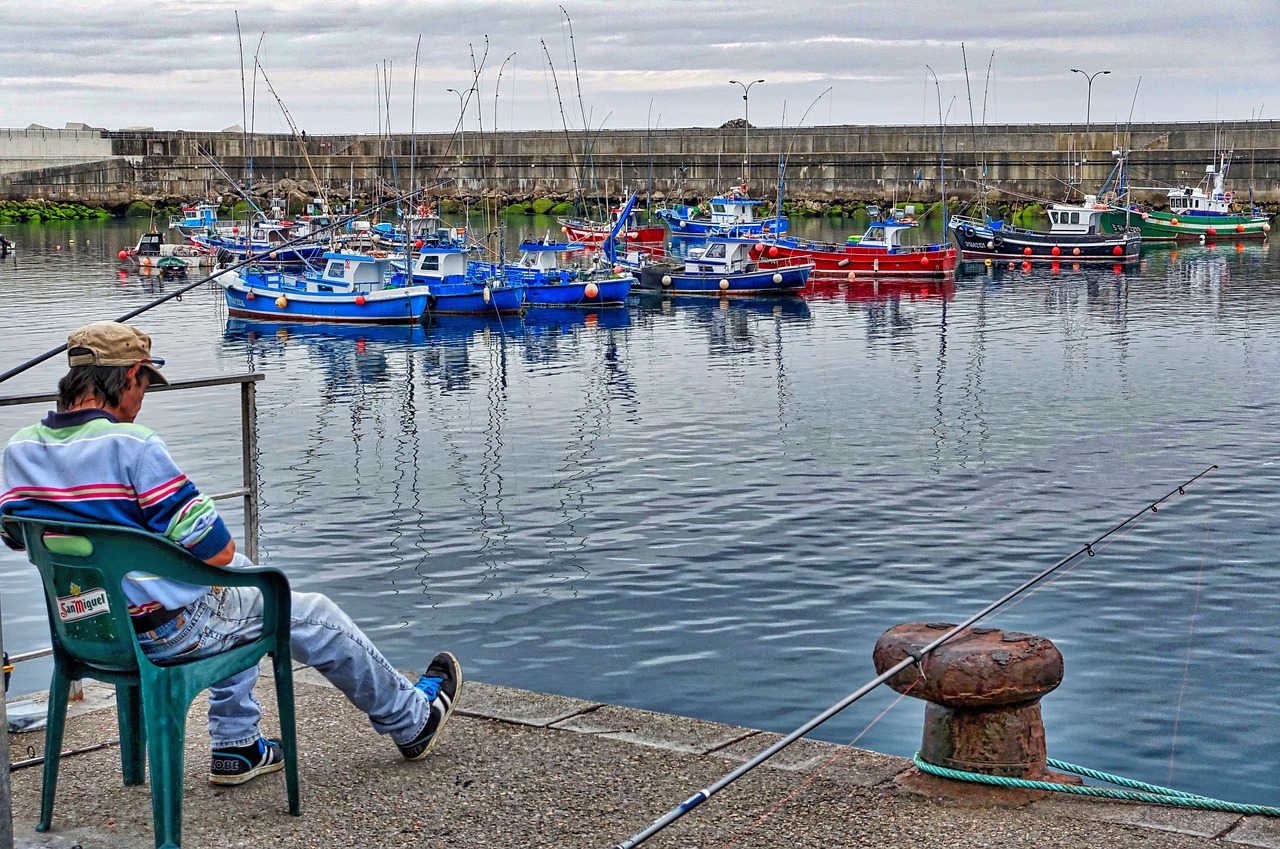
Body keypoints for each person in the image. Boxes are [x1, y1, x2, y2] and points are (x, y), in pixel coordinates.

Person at [0, 321, 461, 785]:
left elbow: (17, 537)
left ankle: (238, 745)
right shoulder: (132, 446)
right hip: (168, 633)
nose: (142, 402)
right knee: (307, 611)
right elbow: (217, 549)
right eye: (143, 386)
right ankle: (411, 720)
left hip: (86, 629)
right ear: (129, 375)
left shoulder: (19, 450)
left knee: (239, 585)